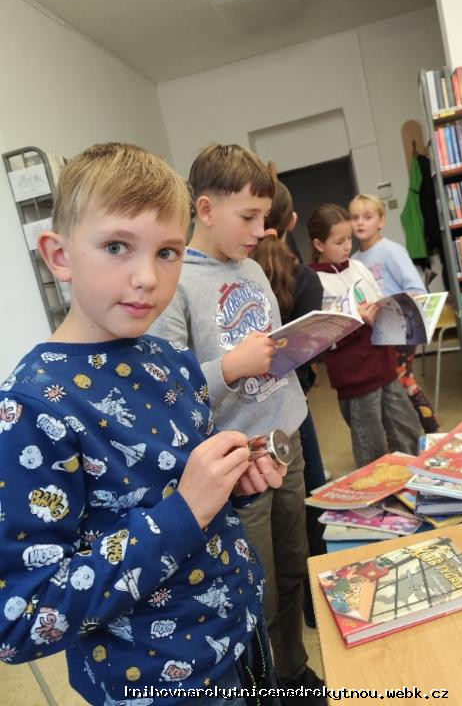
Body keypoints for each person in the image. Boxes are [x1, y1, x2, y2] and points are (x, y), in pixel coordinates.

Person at [0, 143, 290, 706]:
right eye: (116, 247)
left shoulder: (173, 362)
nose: (146, 277)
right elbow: (21, 619)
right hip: (158, 684)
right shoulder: (32, 407)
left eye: (167, 252)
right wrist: (184, 512)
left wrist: (233, 482)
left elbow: (186, 493)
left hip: (240, 637)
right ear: (59, 256)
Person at [150, 144, 324, 703]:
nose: (260, 230)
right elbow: (165, 390)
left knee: (294, 568)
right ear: (204, 209)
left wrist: (304, 343)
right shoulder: (174, 282)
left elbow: (268, 350)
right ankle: (265, 686)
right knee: (258, 588)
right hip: (239, 464)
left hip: (286, 437)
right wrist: (231, 366)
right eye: (248, 216)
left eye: (264, 216)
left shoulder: (250, 267)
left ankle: (293, 670)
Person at [250, 180, 326, 628]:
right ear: (292, 222)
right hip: (284, 413)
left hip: (276, 408)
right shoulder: (302, 277)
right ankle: (312, 610)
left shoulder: (251, 273)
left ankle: (295, 630)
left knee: (287, 531)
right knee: (308, 502)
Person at [307, 203, 422, 467]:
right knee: (373, 451)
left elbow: (380, 301)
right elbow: (323, 338)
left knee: (409, 433)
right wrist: (359, 320)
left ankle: (420, 483)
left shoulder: (358, 267)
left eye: (349, 238)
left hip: (384, 366)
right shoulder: (314, 281)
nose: (347, 246)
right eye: (339, 241)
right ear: (319, 244)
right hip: (355, 379)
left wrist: (387, 311)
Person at [349, 193, 440, 433]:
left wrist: (386, 304)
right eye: (355, 217)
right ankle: (405, 436)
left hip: (402, 329)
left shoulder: (391, 250)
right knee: (391, 388)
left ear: (381, 221)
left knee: (404, 381)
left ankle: (433, 432)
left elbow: (417, 290)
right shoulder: (354, 261)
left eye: (367, 217)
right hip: (377, 333)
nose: (360, 222)